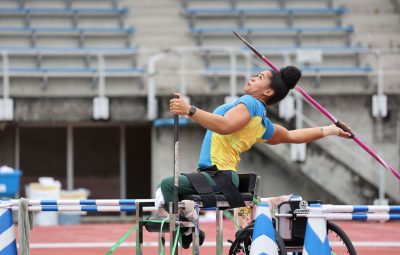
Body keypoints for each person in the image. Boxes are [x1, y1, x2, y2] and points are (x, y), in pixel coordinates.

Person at [156, 66, 352, 248]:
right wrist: (329, 130)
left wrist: (189, 110)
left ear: (267, 92)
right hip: (218, 177)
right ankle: (189, 225)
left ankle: (189, 229)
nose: (252, 77)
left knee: (166, 185)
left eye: (259, 78)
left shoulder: (251, 103)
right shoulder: (262, 124)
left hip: (217, 176)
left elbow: (225, 126)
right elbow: (292, 135)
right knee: (171, 193)